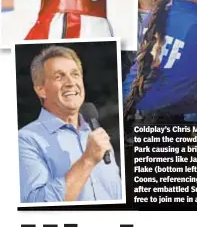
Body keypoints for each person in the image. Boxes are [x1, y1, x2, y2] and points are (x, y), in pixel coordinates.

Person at [19, 46, 122, 202]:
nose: (71, 82)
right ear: (41, 90)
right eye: (59, 77)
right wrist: (87, 160)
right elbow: (37, 204)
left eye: (75, 74)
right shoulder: (25, 140)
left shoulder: (96, 133)